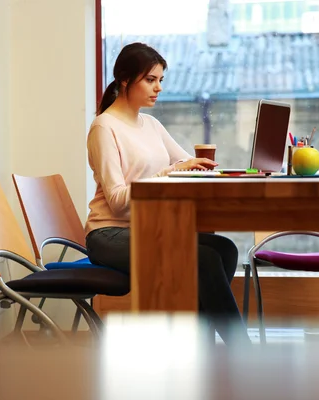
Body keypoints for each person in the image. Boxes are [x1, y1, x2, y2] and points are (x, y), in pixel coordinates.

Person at [84, 42, 251, 346]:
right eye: (150, 80)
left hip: (147, 227)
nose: (158, 88)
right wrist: (164, 174)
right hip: (110, 235)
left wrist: (213, 170)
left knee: (224, 249)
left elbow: (186, 163)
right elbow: (119, 203)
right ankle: (242, 350)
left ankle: (199, 345)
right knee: (204, 258)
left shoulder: (151, 124)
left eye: (161, 80)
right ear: (124, 79)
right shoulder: (104, 127)